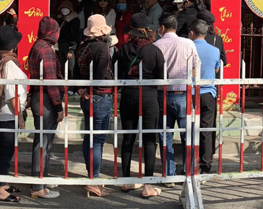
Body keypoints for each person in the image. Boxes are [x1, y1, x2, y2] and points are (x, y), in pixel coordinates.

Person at [114, 13, 165, 198]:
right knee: (149, 140)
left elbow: (117, 73)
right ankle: (148, 185)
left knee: (128, 138)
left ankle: (127, 180)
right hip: (149, 96)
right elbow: (161, 77)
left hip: (128, 95)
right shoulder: (155, 51)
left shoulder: (123, 49)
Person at [153, 14, 199, 179]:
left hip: (163, 95)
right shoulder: (188, 43)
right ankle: (189, 172)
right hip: (183, 95)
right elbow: (195, 68)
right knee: (188, 135)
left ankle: (169, 174)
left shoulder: (157, 45)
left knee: (165, 135)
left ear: (162, 28)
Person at [74, 15, 113, 197]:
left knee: (88, 138)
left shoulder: (81, 47)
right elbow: (101, 73)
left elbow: (75, 72)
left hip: (85, 96)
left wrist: (81, 88)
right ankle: (94, 179)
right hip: (99, 95)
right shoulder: (102, 48)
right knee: (97, 140)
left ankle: (92, 177)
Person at [27, 16, 64, 199]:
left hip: (38, 97)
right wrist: (59, 106)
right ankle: (38, 185)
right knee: (43, 142)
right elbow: (51, 82)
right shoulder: (47, 50)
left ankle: (41, 177)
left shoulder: (37, 46)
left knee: (42, 141)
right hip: (46, 101)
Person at [0, 25, 25, 203]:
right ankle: (0, 189)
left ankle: (2, 182)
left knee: (5, 148)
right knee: (6, 150)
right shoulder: (9, 63)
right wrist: (19, 115)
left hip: (0, 111)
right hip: (9, 112)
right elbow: (12, 93)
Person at [189, 19, 222, 174]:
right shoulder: (215, 50)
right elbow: (216, 70)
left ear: (192, 33)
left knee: (189, 127)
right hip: (208, 93)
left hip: (190, 93)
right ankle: (205, 164)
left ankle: (189, 163)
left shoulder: (188, 48)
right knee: (206, 129)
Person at [56, 0, 81, 76]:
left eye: (67, 8)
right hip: (61, 44)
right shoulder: (60, 20)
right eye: (63, 7)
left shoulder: (74, 20)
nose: (65, 9)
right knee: (63, 65)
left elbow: (75, 35)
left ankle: (72, 84)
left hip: (69, 45)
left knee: (71, 66)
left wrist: (71, 49)